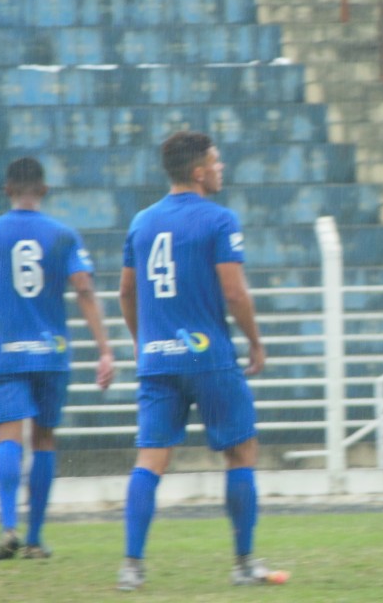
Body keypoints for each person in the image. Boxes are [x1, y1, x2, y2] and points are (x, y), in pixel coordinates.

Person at [116, 131, 289, 591]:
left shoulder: (141, 222)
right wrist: (255, 341)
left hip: (157, 359)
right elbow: (233, 291)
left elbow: (126, 292)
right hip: (207, 357)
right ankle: (243, 562)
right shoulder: (218, 220)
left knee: (150, 459)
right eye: (216, 161)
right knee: (241, 451)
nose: (221, 168)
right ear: (198, 172)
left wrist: (141, 341)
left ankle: (131, 567)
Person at [0, 157, 115, 560]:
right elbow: (85, 290)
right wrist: (105, 349)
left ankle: (8, 527)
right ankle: (36, 539)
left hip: (4, 350)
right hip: (50, 351)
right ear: (43, 190)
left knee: (8, 436)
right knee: (43, 438)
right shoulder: (63, 235)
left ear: (7, 189)